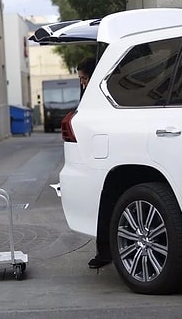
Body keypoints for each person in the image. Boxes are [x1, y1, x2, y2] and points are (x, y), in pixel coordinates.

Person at [76, 57, 111, 269]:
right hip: (92, 154)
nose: (83, 83)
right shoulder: (89, 93)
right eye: (80, 79)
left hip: (102, 154)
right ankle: (103, 251)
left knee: (103, 205)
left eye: (85, 78)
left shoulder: (101, 93)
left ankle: (106, 252)